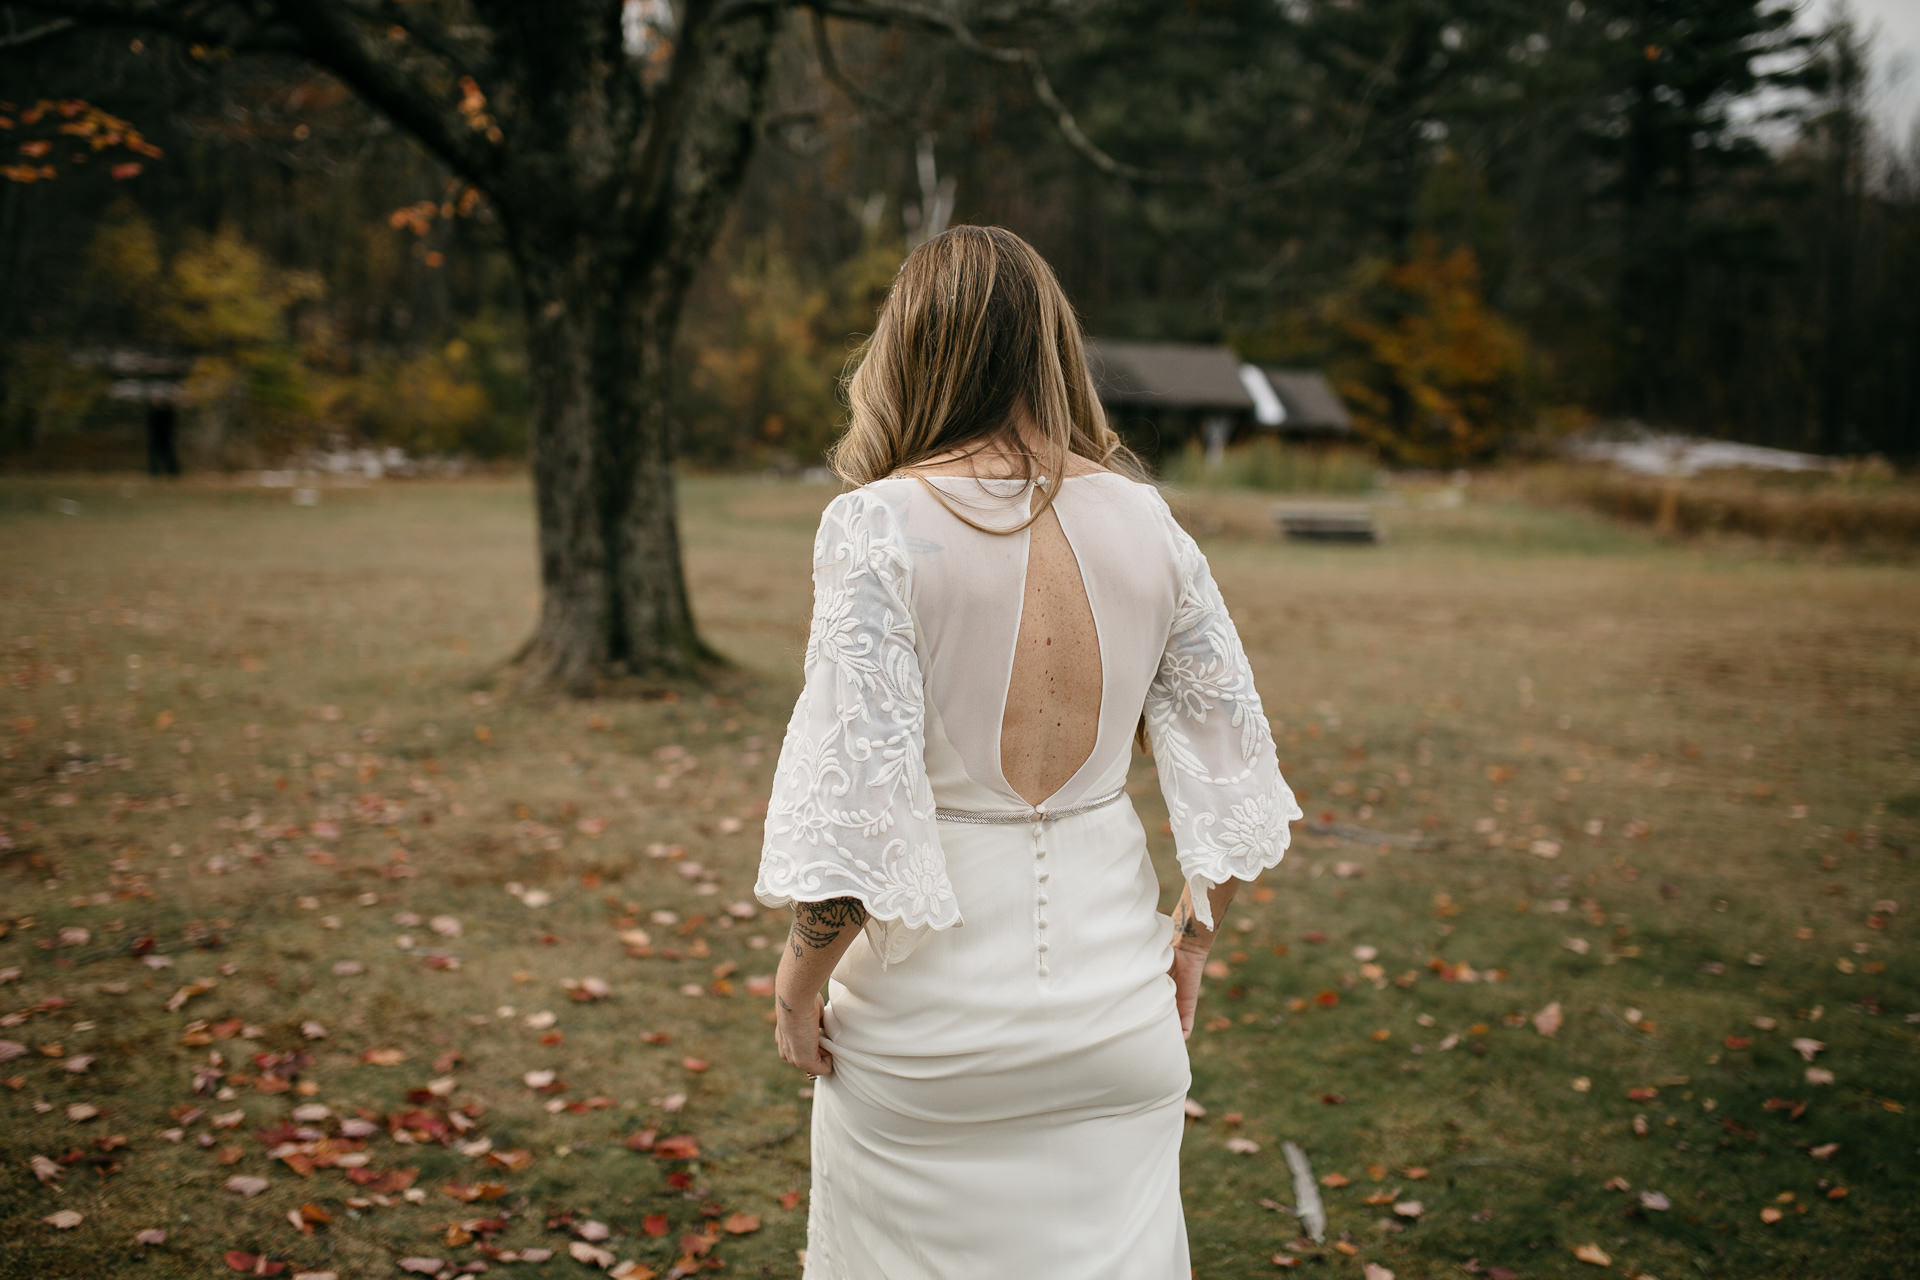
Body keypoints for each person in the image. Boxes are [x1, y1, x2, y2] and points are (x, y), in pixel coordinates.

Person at [753, 224, 1302, 1278]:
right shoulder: (1147, 520)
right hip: (1119, 1019)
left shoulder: (876, 525)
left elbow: (856, 810)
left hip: (931, 1034)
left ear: (910, 349)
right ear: (1054, 346)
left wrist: (795, 985)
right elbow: (1234, 779)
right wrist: (1192, 942)